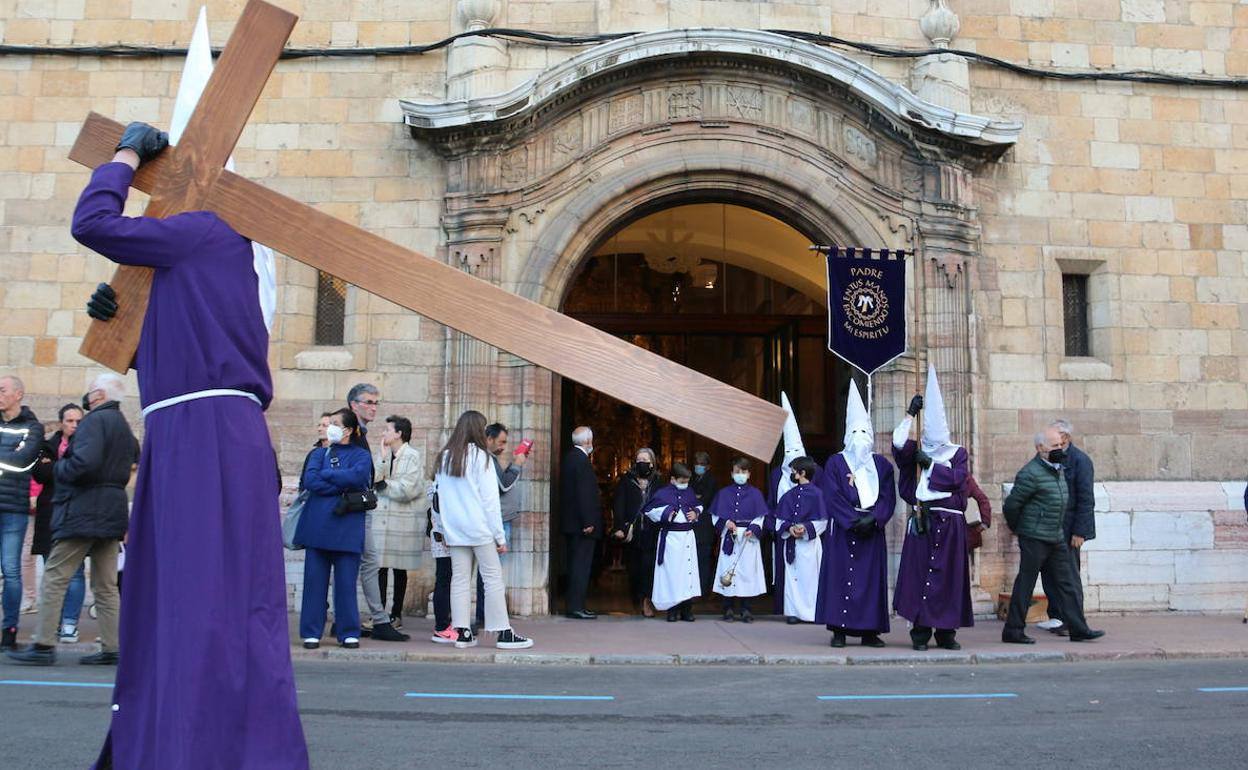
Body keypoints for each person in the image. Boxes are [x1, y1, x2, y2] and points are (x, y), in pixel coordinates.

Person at [70, 123, 308, 768]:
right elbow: (191, 345)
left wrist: (123, 155)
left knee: (195, 605)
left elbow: (91, 222)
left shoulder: (201, 232)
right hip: (197, 432)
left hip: (201, 440)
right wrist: (121, 316)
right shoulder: (228, 253)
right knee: (182, 603)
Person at [5, 373, 137, 666]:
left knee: (54, 575)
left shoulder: (94, 422)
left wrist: (61, 470)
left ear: (99, 396)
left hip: (85, 510)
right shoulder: (123, 427)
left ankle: (43, 645)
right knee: (105, 585)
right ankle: (113, 648)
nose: (87, 396)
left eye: (90, 391)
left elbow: (84, 463)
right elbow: (130, 460)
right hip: (111, 510)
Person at [891, 364, 974, 651]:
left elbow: (958, 479)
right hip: (924, 520)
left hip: (950, 525)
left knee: (948, 579)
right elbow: (898, 446)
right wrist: (909, 414)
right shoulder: (918, 450)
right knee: (921, 575)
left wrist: (932, 465)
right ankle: (921, 632)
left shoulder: (958, 454)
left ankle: (947, 633)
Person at [435, 410, 533, 650]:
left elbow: (442, 499)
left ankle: (463, 632)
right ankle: (503, 631)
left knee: (459, 580)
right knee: (493, 579)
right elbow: (490, 502)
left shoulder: (445, 457)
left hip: (456, 529)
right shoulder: (482, 458)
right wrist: (499, 536)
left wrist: (446, 531)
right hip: (479, 528)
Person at [1002, 427, 1106, 644]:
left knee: (1067, 582)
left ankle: (1078, 628)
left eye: (1060, 445)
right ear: (1040, 448)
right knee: (1026, 584)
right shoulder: (1030, 473)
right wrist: (1021, 528)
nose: (1059, 449)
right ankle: (1013, 630)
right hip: (1035, 537)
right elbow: (1012, 505)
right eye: (1054, 446)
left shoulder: (1057, 468)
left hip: (1056, 535)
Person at [815, 382, 895, 648]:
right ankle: (838, 629)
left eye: (864, 431)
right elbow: (832, 495)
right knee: (840, 579)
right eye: (855, 431)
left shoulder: (881, 464)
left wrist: (874, 519)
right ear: (848, 434)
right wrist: (851, 521)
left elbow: (887, 495)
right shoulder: (835, 463)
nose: (860, 436)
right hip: (844, 530)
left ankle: (870, 631)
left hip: (871, 529)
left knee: (870, 581)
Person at [294, 409, 373, 650]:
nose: (330, 428)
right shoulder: (318, 453)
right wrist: (340, 483)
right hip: (318, 526)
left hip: (347, 527)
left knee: (346, 583)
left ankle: (348, 631)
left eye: (336, 424)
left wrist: (329, 477)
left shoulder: (361, 455)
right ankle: (311, 631)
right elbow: (311, 481)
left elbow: (359, 478)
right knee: (314, 582)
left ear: (348, 430)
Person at [347, 383, 406, 642]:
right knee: (363, 562)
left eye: (375, 403)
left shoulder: (361, 432)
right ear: (354, 405)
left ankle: (370, 620)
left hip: (360, 505)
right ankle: (376, 621)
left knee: (365, 562)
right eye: (368, 402)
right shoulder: (350, 431)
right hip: (352, 507)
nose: (373, 407)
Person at [30, 404, 88, 643]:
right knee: (51, 571)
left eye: (78, 421)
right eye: (69, 420)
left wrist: (55, 467)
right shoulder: (49, 445)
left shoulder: (87, 445)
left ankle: (70, 623)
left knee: (74, 573)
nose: (74, 425)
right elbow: (39, 473)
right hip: (49, 513)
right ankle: (51, 623)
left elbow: (83, 473)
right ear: (61, 422)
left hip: (75, 512)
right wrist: (63, 467)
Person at [1037, 418, 1095, 637]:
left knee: (1069, 575)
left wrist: (1081, 531)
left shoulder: (1080, 461)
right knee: (1050, 573)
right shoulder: (1050, 457)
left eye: (1055, 438)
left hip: (1070, 528)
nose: (1051, 442)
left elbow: (1086, 499)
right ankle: (1057, 617)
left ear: (1066, 438)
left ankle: (1074, 619)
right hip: (1050, 526)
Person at [0, 375, 44, 652]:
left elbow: (23, 462)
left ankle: (10, 631)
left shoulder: (33, 427)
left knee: (11, 570)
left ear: (18, 394)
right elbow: (13, 460)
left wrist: (11, 462)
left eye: (2, 390)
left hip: (14, 510)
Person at [373, 415, 426, 630]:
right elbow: (374, 478)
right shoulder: (385, 453)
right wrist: (383, 460)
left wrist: (385, 485)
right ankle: (379, 613)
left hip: (402, 521)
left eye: (387, 429)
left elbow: (409, 488)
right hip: (383, 520)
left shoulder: (412, 456)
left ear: (398, 434)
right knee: (380, 567)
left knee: (399, 569)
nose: (383, 433)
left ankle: (396, 613)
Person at [476, 422, 526, 629]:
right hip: (496, 521)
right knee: (490, 572)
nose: (503, 446)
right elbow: (503, 484)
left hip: (500, 519)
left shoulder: (491, 459)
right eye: (501, 441)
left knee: (488, 572)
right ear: (489, 438)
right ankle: (486, 616)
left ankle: (486, 615)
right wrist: (517, 464)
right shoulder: (487, 459)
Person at [709, 458, 768, 622]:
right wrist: (726, 523)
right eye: (737, 472)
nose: (740, 475)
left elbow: (760, 517)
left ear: (749, 474)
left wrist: (753, 529)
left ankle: (746, 609)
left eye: (743, 472)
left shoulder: (756, 494)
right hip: (730, 535)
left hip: (748, 539)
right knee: (727, 570)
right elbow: (715, 516)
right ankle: (727, 608)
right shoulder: (723, 493)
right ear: (731, 473)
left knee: (746, 573)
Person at [644, 463, 702, 622]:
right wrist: (666, 512)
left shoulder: (689, 491)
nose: (685, 484)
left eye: (687, 481)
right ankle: (672, 610)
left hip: (687, 537)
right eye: (682, 481)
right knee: (672, 574)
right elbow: (649, 510)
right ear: (673, 479)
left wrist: (695, 513)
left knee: (687, 574)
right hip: (671, 539)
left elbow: (699, 506)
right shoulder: (663, 493)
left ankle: (687, 609)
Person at [772, 456, 826, 624]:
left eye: (794, 470)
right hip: (791, 543)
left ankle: (810, 613)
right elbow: (779, 521)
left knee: (810, 579)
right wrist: (789, 528)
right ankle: (793, 612)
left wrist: (805, 528)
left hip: (809, 545)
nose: (792, 473)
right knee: (792, 578)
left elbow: (823, 521)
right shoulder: (788, 495)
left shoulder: (818, 495)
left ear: (802, 473)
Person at [610, 448, 660, 616]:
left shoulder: (659, 482)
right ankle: (636, 597)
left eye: (645, 459)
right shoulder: (627, 480)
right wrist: (619, 527)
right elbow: (619, 504)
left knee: (649, 566)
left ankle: (647, 600)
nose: (642, 463)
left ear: (652, 463)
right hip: (633, 530)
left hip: (652, 531)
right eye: (639, 459)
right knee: (634, 568)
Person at [559, 425, 601, 620]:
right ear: (587, 441)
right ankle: (576, 606)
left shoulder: (570, 458)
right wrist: (588, 521)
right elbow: (584, 494)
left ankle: (576, 605)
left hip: (572, 523)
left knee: (576, 565)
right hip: (581, 525)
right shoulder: (581, 460)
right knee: (580, 567)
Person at [689, 451, 719, 596]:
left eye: (701, 464)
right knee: (691, 558)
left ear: (708, 466)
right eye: (696, 464)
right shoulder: (691, 479)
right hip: (692, 525)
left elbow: (705, 500)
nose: (698, 466)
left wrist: (696, 498)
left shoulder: (711, 480)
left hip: (705, 525)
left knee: (703, 558)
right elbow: (688, 497)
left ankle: (703, 589)